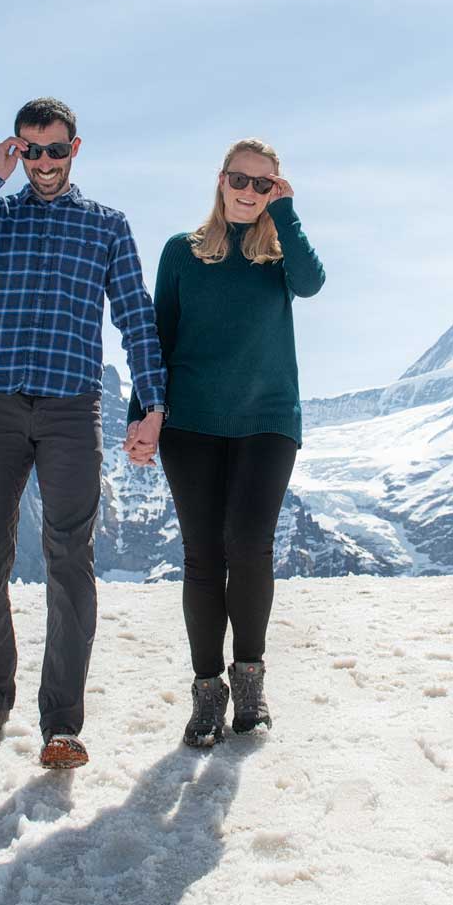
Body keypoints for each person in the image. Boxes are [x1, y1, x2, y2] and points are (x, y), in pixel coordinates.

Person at [0, 98, 167, 770]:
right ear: (18, 152)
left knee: (68, 559)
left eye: (55, 150)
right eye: (31, 150)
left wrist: (154, 403)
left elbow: (136, 317)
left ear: (75, 149)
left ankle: (62, 725)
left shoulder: (106, 227)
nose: (45, 162)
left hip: (69, 410)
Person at [125, 138, 325, 748]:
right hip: (192, 423)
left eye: (263, 184)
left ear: (275, 190)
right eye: (240, 180)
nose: (248, 191)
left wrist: (286, 215)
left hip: (268, 420)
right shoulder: (182, 253)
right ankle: (208, 691)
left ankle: (251, 681)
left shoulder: (279, 256)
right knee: (204, 555)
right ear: (220, 180)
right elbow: (157, 334)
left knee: (250, 546)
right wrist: (145, 415)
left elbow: (313, 284)